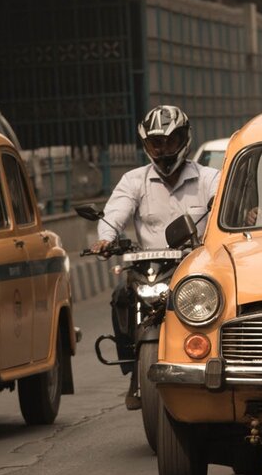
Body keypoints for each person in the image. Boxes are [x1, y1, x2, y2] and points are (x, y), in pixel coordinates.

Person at [90, 105, 220, 408]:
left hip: (195, 267)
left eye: (170, 141)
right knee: (120, 297)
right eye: (155, 143)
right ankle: (131, 363)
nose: (163, 150)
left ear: (184, 139)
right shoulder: (134, 181)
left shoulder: (209, 178)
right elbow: (115, 214)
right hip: (148, 267)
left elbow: (222, 204)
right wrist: (106, 239)